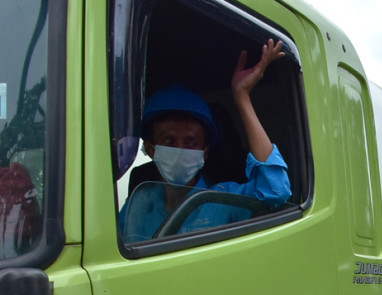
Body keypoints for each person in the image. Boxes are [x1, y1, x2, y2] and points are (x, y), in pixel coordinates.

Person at [120, 39, 292, 242]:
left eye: (191, 142)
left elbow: (275, 191)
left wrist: (242, 95)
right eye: (169, 140)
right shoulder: (138, 204)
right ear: (150, 149)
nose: (180, 149)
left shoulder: (222, 199)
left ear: (205, 152)